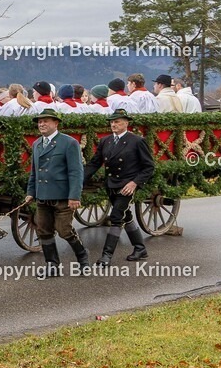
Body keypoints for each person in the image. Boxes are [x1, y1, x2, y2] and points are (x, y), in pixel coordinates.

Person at [83, 109, 156, 266]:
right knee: (126, 215)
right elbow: (95, 163)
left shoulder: (137, 141)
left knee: (116, 217)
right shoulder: (106, 141)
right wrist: (80, 180)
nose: (113, 124)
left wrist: (134, 183)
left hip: (127, 186)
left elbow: (149, 166)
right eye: (112, 122)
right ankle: (140, 248)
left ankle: (106, 256)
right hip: (111, 185)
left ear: (126, 123)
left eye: (117, 121)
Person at [23, 108, 90, 277]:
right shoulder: (37, 144)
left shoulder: (69, 143)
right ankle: (52, 265)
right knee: (44, 231)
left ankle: (83, 258)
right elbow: (34, 171)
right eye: (39, 121)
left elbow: (76, 171)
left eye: (46, 121)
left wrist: (74, 195)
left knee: (64, 230)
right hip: (42, 196)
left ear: (56, 123)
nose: (42, 124)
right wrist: (30, 191)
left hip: (62, 196)